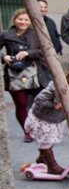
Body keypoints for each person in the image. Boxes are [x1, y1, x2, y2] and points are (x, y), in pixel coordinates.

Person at [23, 65, 69, 174]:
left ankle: (42, 159)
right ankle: (52, 166)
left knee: (50, 140)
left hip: (55, 120)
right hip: (42, 118)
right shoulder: (55, 87)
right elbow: (38, 100)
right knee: (46, 141)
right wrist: (54, 105)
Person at [1, 9, 49, 142]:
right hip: (15, 75)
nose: (23, 22)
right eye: (20, 19)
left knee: (40, 102)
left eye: (26, 20)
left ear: (30, 22)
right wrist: (4, 56)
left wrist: (29, 53)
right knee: (21, 104)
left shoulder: (35, 34)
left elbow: (45, 50)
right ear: (14, 20)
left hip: (35, 73)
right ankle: (27, 131)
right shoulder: (6, 34)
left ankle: (42, 128)